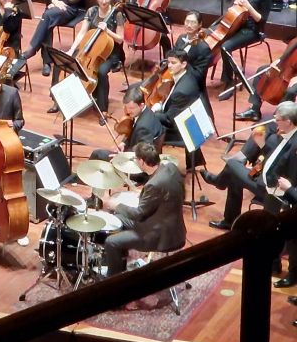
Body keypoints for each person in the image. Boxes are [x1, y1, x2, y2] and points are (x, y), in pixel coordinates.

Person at [204, 101, 297, 235]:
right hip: (263, 177)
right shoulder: (288, 134)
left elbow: (292, 176)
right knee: (234, 176)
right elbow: (277, 159)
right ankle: (230, 220)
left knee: (232, 165)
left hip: (271, 189)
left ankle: (219, 183)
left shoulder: (295, 146)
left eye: (278, 120)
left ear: (288, 122)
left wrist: (288, 188)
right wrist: (262, 145)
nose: (275, 122)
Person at [101, 141, 186, 275]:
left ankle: (114, 280)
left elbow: (139, 214)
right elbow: (170, 193)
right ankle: (124, 260)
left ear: (141, 161)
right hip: (174, 228)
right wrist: (144, 194)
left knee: (111, 242)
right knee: (117, 219)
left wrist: (115, 204)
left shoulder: (154, 184)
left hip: (159, 236)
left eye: (136, 158)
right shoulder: (170, 167)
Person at [65, 0, 125, 117]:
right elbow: (82, 32)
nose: (104, 1)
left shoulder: (118, 14)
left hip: (110, 53)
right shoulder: (92, 11)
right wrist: (71, 49)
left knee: (101, 72)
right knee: (67, 62)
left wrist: (107, 30)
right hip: (90, 50)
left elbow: (120, 39)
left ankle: (103, 109)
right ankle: (60, 101)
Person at [217, 0, 273, 92]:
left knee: (225, 47)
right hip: (236, 25)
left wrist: (248, 6)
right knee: (216, 38)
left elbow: (261, 20)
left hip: (252, 30)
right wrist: (234, 5)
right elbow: (232, 10)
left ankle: (229, 81)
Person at [89, 86, 164, 162]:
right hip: (133, 148)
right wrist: (124, 143)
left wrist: (122, 157)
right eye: (126, 107)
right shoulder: (144, 111)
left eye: (131, 108)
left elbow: (143, 152)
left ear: (141, 105)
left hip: (138, 160)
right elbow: (133, 133)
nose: (128, 111)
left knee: (97, 154)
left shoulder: (144, 127)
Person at [150, 52, 201, 154]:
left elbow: (169, 120)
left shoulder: (181, 91)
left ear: (183, 64)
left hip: (180, 129)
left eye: (173, 63)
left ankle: (150, 158)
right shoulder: (186, 75)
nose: (169, 66)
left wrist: (152, 114)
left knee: (142, 126)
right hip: (184, 118)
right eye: (168, 62)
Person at [170, 11, 212, 90]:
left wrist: (181, 66)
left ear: (200, 24)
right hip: (175, 79)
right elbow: (173, 57)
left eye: (193, 22)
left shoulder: (204, 48)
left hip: (191, 86)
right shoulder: (181, 38)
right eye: (187, 21)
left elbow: (198, 75)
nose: (189, 25)